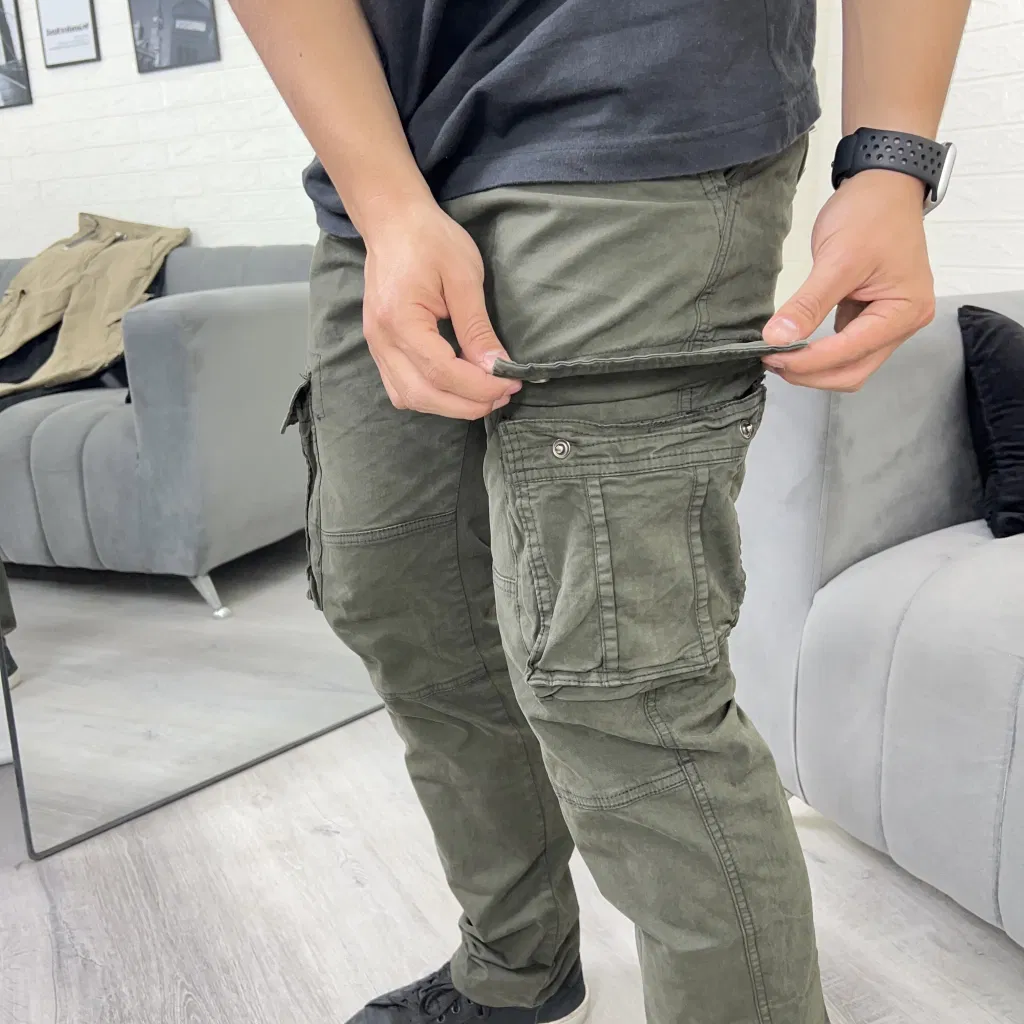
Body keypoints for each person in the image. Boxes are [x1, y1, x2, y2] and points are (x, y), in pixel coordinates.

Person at [229, 2, 970, 1022]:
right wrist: (387, 203)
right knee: (404, 603)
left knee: (620, 680)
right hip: (384, 156)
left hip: (643, 118)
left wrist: (891, 158)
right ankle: (516, 965)